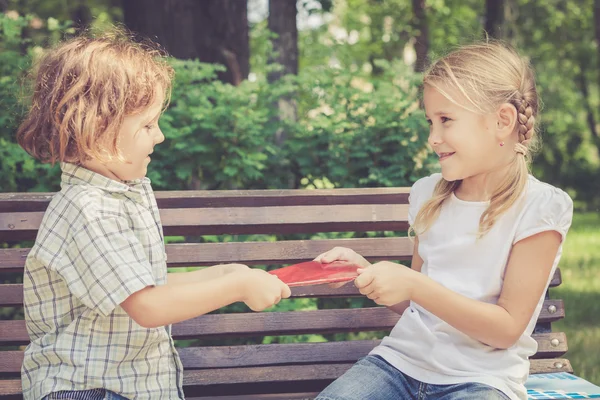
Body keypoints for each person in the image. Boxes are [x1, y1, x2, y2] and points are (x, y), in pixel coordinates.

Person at [17, 31, 290, 400]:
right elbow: (147, 307)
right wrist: (237, 288)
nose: (159, 137)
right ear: (96, 130)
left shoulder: (120, 195)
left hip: (124, 387)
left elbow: (145, 288)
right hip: (87, 389)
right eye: (147, 125)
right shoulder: (88, 209)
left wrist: (228, 273)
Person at [314, 41, 573, 400]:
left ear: (502, 121)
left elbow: (505, 330)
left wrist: (415, 285)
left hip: (481, 379)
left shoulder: (539, 207)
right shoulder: (428, 195)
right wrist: (365, 272)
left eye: (446, 120)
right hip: (399, 365)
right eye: (430, 122)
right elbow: (420, 304)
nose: (433, 138)